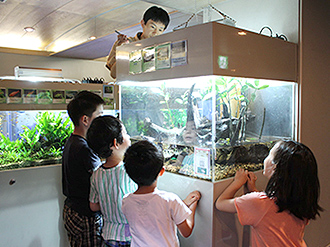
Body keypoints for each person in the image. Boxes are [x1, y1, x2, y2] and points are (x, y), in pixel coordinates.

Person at [215, 140, 323, 247]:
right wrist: (253, 189)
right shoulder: (301, 201)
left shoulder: (259, 204)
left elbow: (220, 203)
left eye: (269, 154)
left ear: (274, 166)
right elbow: (269, 215)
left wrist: (238, 182)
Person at [122, 140, 201, 247]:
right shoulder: (170, 200)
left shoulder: (126, 202)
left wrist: (183, 204)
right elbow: (186, 232)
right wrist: (192, 206)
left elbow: (151, 211)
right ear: (162, 171)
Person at [62, 91, 104, 246]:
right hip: (85, 214)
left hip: (72, 210)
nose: (102, 119)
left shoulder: (72, 141)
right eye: (99, 115)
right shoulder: (84, 149)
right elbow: (101, 179)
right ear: (85, 120)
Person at [87, 115, 137, 247]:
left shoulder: (96, 174)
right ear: (115, 143)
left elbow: (93, 206)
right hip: (130, 235)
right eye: (125, 133)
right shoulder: (129, 170)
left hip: (108, 236)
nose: (128, 136)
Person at [106, 6, 170, 79]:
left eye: (160, 30)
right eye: (152, 27)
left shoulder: (162, 49)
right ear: (143, 24)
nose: (155, 33)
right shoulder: (126, 44)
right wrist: (125, 50)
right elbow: (114, 74)